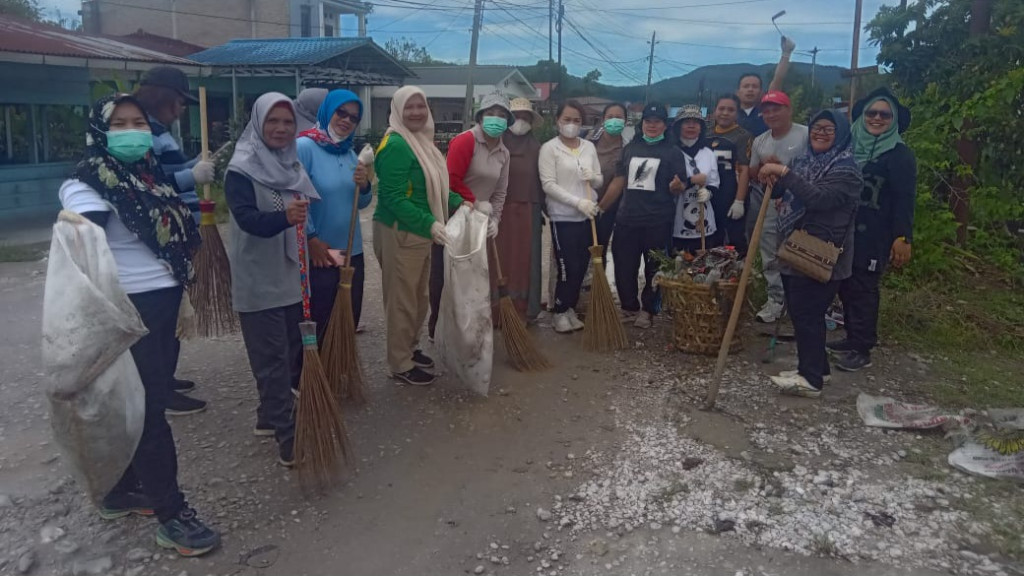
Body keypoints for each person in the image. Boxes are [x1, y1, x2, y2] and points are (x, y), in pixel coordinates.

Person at [58, 93, 219, 556]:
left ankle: (120, 489)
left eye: (139, 123)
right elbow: (82, 253)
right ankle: (172, 515)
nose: (132, 131)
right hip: (127, 310)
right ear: (102, 130)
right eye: (121, 123)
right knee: (148, 412)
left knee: (138, 402)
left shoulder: (149, 178)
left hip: (164, 302)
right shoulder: (87, 184)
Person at [225, 93, 318, 466]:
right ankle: (287, 436)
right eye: (272, 122)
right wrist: (285, 218)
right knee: (272, 359)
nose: (280, 129)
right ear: (258, 124)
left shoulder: (290, 163)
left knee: (290, 351)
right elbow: (248, 219)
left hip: (290, 275)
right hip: (259, 279)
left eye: (287, 122)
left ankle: (268, 416)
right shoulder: (241, 170)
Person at [758, 110, 862, 398]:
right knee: (804, 313)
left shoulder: (846, 169)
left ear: (840, 134)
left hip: (822, 253)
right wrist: (774, 178)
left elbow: (820, 199)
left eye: (828, 129)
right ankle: (816, 368)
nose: (820, 133)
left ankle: (811, 379)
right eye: (816, 128)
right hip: (795, 246)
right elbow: (787, 192)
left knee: (807, 313)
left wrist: (785, 174)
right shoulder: (804, 160)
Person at [134, 66, 215, 416]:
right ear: (160, 96)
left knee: (171, 315)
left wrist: (196, 163)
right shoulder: (141, 133)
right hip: (162, 240)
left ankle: (165, 377)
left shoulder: (161, 132)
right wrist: (189, 176)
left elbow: (169, 170)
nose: (181, 110)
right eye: (178, 103)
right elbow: (148, 183)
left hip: (179, 237)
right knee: (162, 319)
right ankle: (159, 388)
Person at [374, 86, 467, 386]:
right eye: (409, 107)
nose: (416, 112)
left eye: (421, 106)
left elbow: (436, 187)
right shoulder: (395, 145)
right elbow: (392, 198)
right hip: (400, 231)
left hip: (422, 232)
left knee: (419, 296)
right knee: (402, 299)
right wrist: (430, 223)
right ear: (398, 110)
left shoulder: (422, 142)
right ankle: (399, 362)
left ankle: (410, 348)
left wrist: (461, 203)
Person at [831, 88, 916, 372]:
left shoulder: (899, 154)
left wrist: (903, 237)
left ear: (893, 120)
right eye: (871, 113)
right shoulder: (847, 145)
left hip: (875, 231)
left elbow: (905, 198)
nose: (877, 118)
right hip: (843, 228)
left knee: (864, 287)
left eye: (884, 114)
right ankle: (852, 337)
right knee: (844, 282)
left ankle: (862, 347)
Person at [598, 103, 689, 330]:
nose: (652, 125)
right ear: (642, 123)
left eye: (657, 122)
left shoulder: (673, 152)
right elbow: (620, 180)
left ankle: (649, 310)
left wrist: (678, 186)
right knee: (624, 266)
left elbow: (681, 185)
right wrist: (601, 207)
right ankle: (629, 307)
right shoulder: (630, 149)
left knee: (655, 268)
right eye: (648, 121)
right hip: (627, 218)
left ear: (665, 125)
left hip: (658, 220)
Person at [429, 93, 511, 337]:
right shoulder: (465, 141)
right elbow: (450, 180)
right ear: (480, 117)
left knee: (474, 276)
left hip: (480, 221)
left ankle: (469, 329)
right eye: (490, 114)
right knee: (446, 274)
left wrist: (495, 218)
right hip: (454, 216)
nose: (496, 119)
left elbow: (500, 191)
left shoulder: (503, 153)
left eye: (501, 115)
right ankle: (439, 327)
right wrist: (474, 202)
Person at [296, 90, 373, 345]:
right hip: (323, 252)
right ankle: (317, 378)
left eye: (354, 117)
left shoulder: (350, 153)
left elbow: (360, 203)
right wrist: (311, 237)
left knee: (347, 318)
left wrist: (364, 185)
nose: (347, 120)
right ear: (328, 110)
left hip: (353, 252)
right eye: (341, 113)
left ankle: (339, 373)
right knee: (322, 318)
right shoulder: (304, 147)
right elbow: (295, 196)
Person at [538, 99, 603, 334]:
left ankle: (570, 308)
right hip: (563, 216)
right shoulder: (549, 148)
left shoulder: (588, 147)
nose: (572, 124)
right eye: (567, 119)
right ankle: (559, 309)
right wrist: (578, 202)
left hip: (587, 217)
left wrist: (593, 179)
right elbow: (548, 185)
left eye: (577, 120)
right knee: (567, 266)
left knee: (581, 266)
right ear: (558, 121)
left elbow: (599, 178)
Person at [748, 90, 808, 323]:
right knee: (770, 249)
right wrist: (764, 167)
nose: (771, 114)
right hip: (772, 201)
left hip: (804, 202)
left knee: (803, 251)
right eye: (767, 111)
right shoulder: (761, 141)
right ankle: (776, 299)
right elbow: (753, 172)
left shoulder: (805, 134)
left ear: (789, 109)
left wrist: (782, 167)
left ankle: (805, 303)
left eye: (777, 109)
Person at [496, 97, 545, 319]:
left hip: (528, 211)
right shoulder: (495, 144)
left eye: (526, 117)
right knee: (499, 257)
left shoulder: (538, 149)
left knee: (525, 260)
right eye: (517, 117)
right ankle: (496, 308)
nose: (521, 122)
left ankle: (524, 309)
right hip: (498, 210)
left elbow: (544, 181)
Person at [671, 105, 721, 255]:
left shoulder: (708, 153)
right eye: (686, 122)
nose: (691, 126)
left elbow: (714, 181)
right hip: (676, 219)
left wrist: (709, 193)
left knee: (702, 265)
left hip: (704, 220)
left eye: (696, 122)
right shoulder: (670, 151)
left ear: (701, 128)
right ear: (679, 126)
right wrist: (691, 180)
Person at [709, 94, 754, 257]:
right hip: (709, 195)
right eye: (721, 108)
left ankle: (736, 279)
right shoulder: (705, 133)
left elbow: (744, 170)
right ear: (715, 111)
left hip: (730, 195)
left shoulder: (743, 136)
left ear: (737, 113)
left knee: (735, 242)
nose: (725, 113)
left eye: (730, 109)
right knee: (711, 240)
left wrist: (739, 200)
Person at [588, 102, 629, 260]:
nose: (614, 121)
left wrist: (600, 209)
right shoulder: (588, 139)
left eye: (619, 117)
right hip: (581, 202)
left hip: (607, 208)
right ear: (603, 119)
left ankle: (597, 282)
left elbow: (618, 182)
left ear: (625, 122)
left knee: (599, 248)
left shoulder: (627, 148)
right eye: (610, 117)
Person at [736, 36, 796, 136]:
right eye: (746, 86)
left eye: (755, 87)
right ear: (738, 92)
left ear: (761, 92)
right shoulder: (730, 113)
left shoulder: (766, 112)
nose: (750, 89)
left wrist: (786, 53)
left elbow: (777, 80)